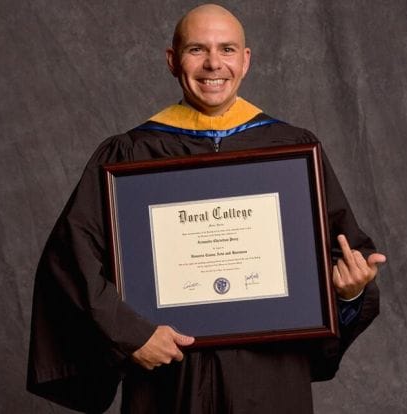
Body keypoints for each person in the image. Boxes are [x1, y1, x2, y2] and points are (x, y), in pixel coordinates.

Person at [27, 4, 386, 413]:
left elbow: (340, 258)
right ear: (172, 60)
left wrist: (350, 291)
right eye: (197, 49)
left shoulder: (290, 154)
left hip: (268, 378)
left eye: (227, 49)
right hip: (170, 377)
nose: (214, 63)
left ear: (246, 60)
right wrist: (132, 335)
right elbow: (70, 260)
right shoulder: (130, 155)